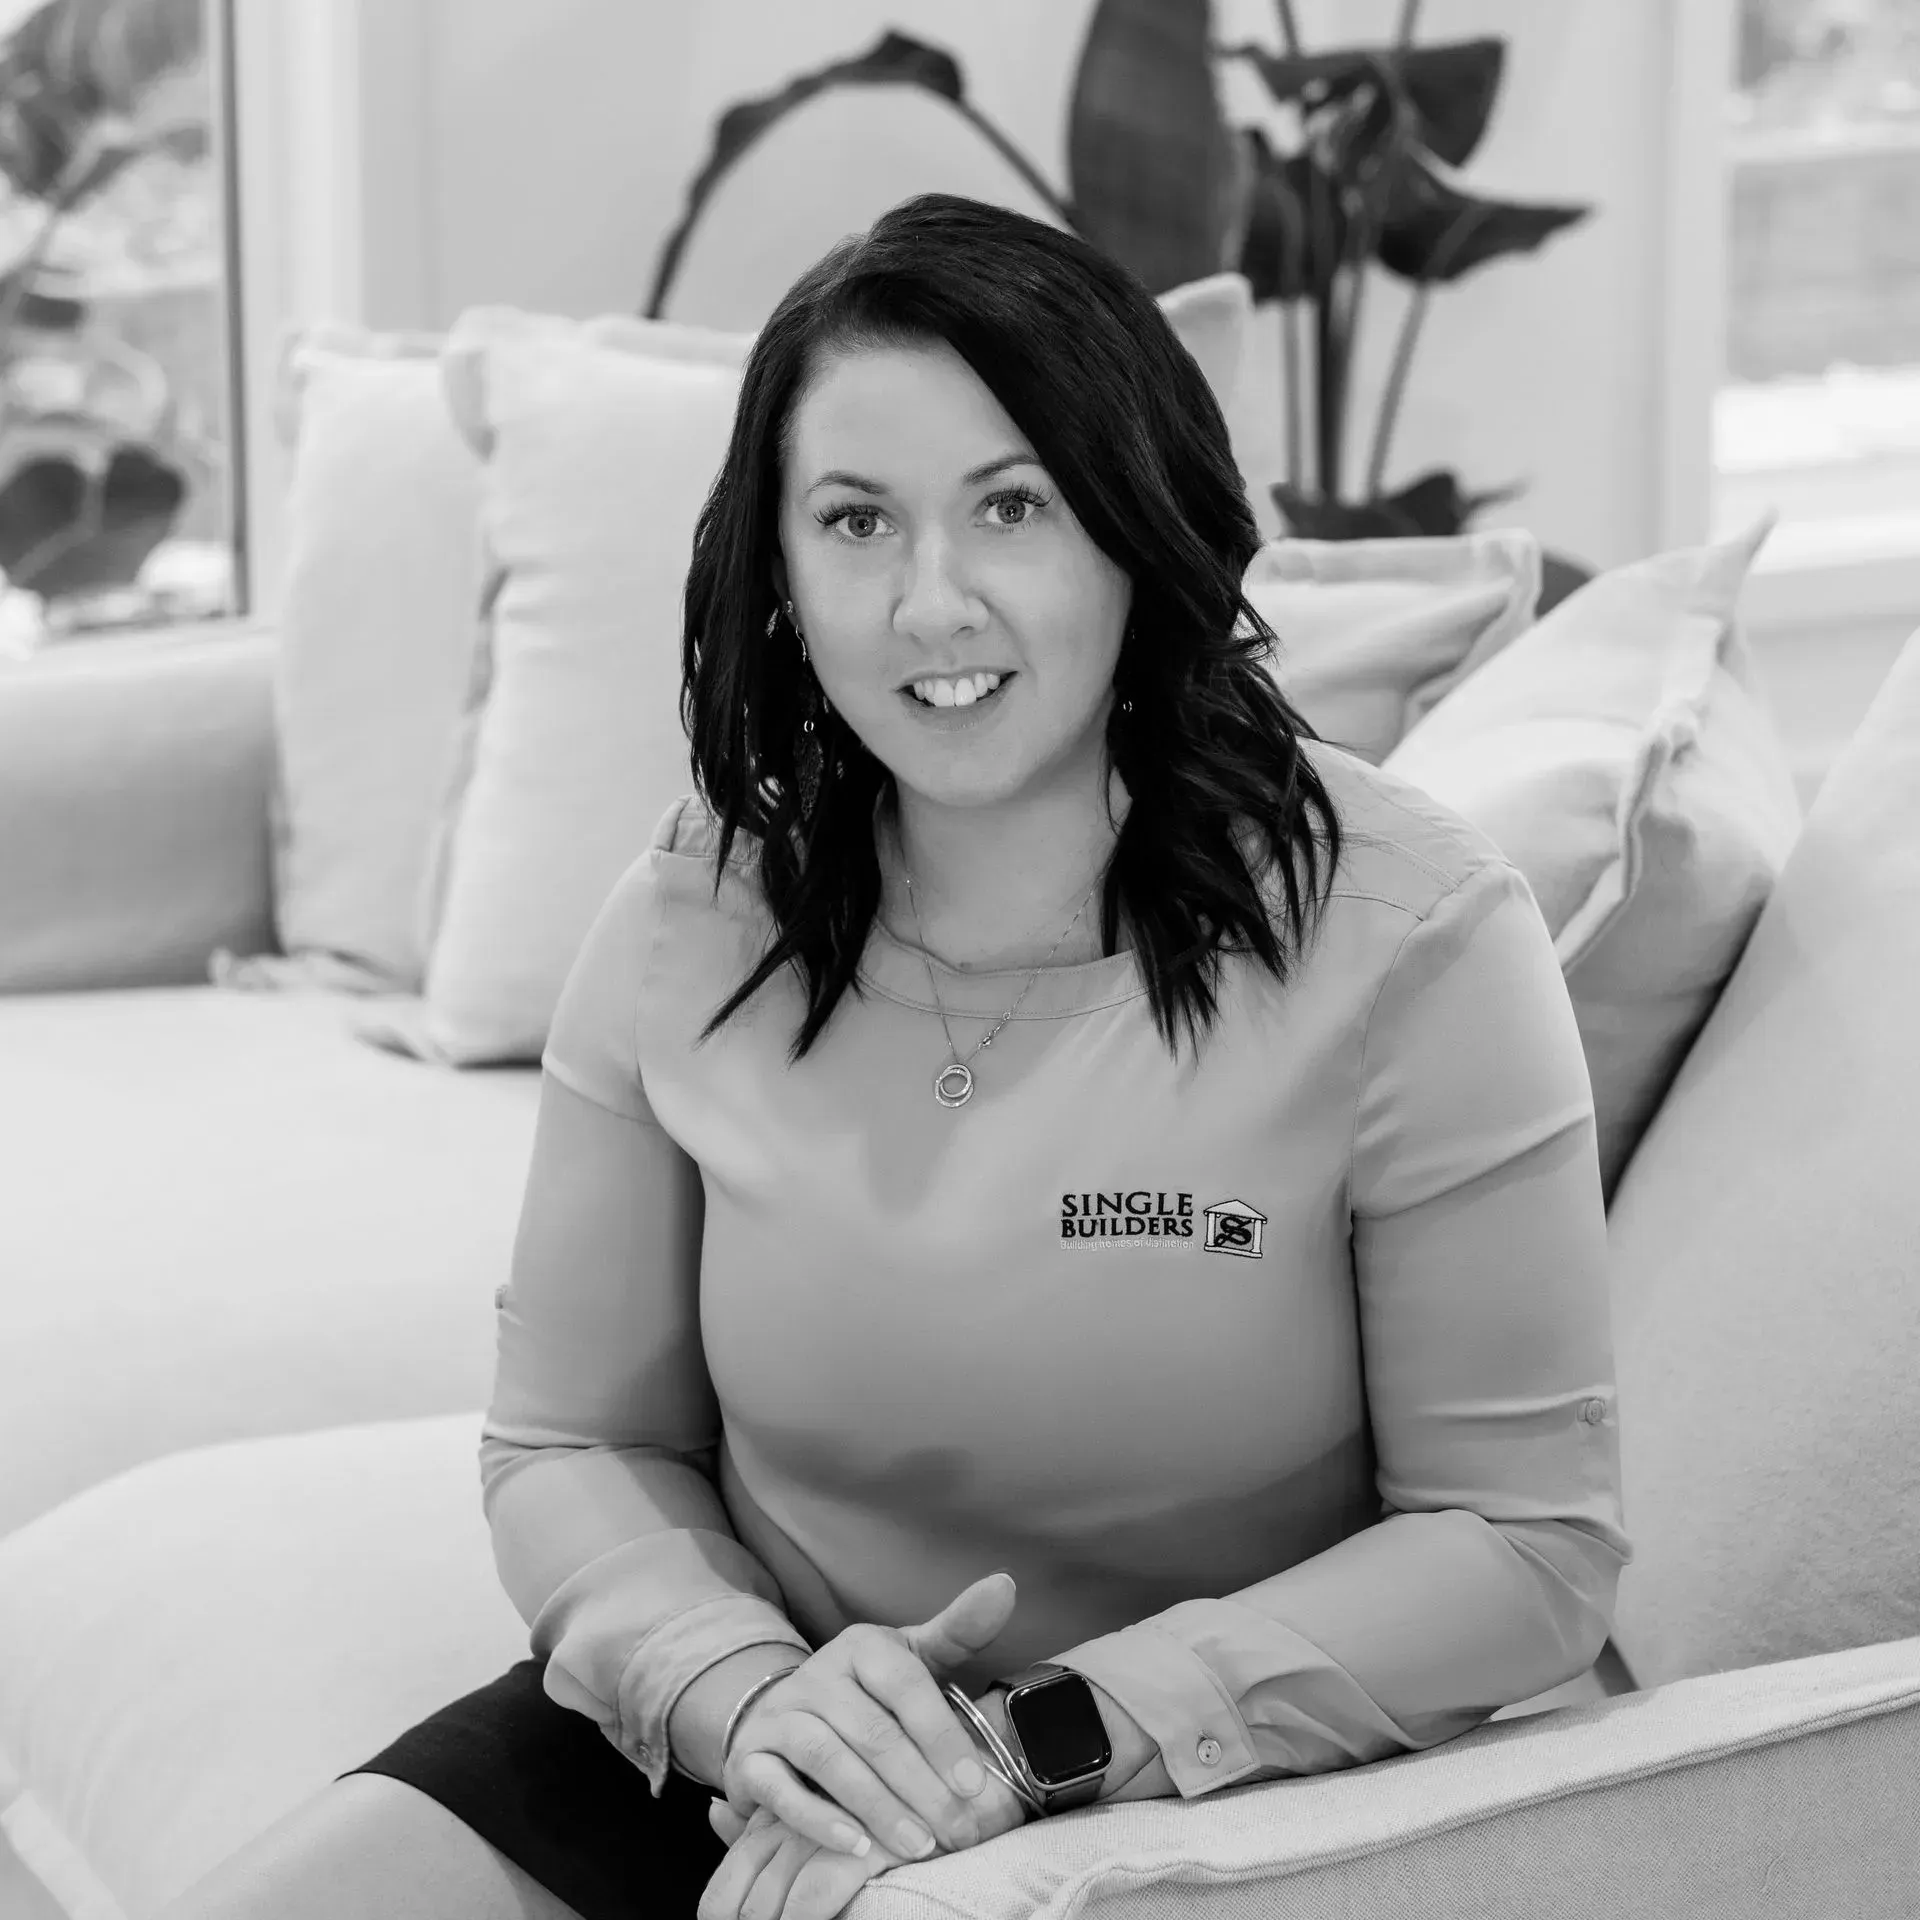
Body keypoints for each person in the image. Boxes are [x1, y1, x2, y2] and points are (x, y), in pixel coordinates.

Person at [155, 192, 1630, 1920]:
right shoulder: (686, 918)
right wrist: (742, 1690)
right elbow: (567, 1445)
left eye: (1012, 505)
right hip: (764, 1727)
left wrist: (1036, 1746)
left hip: (1223, 1787)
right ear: (776, 573)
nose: (933, 601)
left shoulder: (1418, 940)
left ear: (1132, 530)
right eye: (856, 521)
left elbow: (1528, 1546)